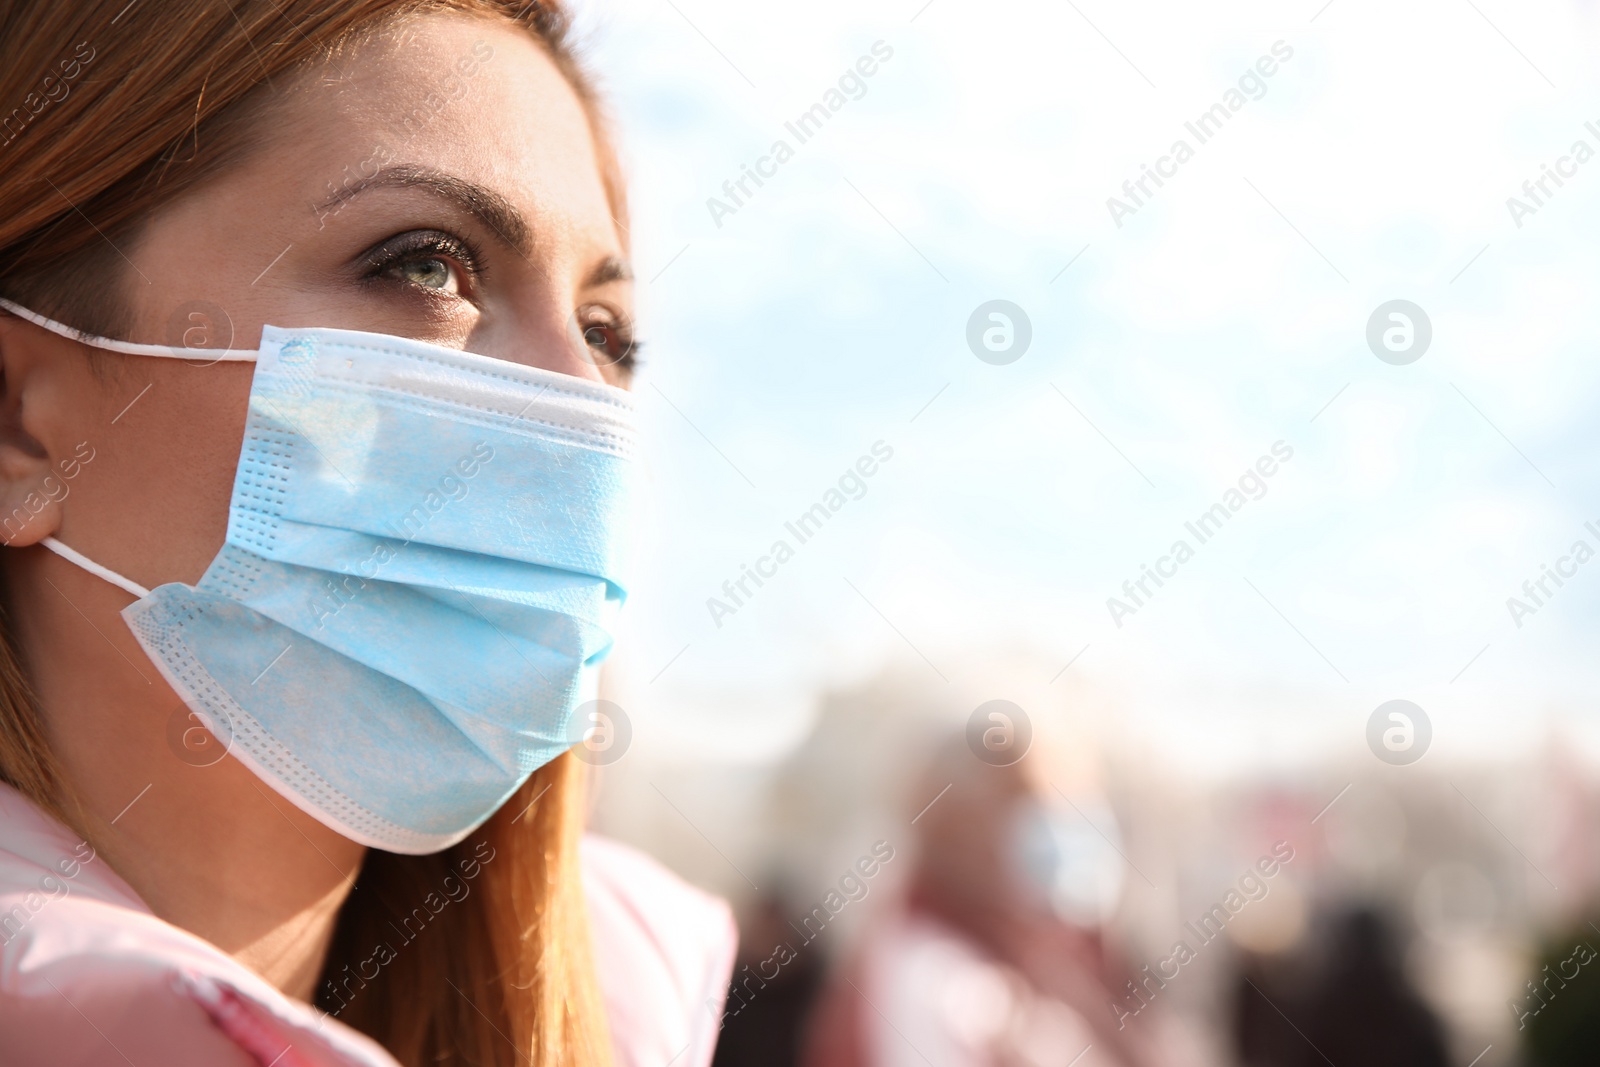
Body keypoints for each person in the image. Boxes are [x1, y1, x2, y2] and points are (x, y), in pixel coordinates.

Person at [0, 2, 734, 1064]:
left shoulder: (633, 1019)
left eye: (606, 332)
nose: (580, 399)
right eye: (427, 264)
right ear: (21, 425)